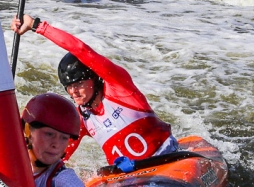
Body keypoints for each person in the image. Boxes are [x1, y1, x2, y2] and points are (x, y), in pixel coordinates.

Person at [11, 14, 178, 171]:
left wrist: (37, 26)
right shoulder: (81, 118)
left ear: (95, 79)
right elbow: (58, 156)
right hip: (130, 178)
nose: (73, 92)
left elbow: (81, 50)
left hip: (167, 159)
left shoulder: (120, 89)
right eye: (68, 86)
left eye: (79, 84)